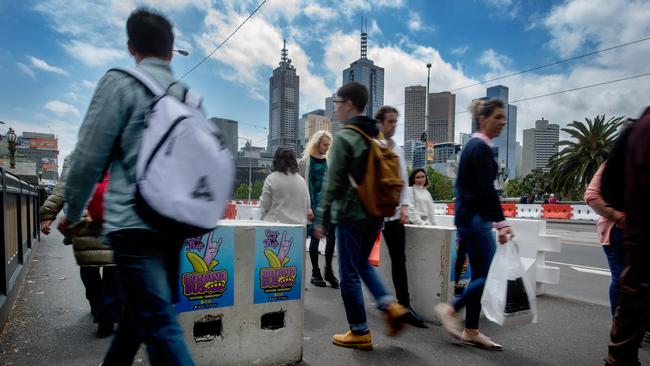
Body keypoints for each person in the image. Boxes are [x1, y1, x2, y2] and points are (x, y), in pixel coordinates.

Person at [60, 9, 195, 365]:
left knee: (158, 324)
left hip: (134, 226)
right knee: (141, 315)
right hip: (175, 224)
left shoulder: (119, 84)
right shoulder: (186, 96)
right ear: (170, 51)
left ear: (132, 46)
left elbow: (87, 158)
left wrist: (72, 213)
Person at [314, 82, 408, 350]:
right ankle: (390, 305)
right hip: (375, 214)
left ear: (349, 104)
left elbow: (332, 184)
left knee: (349, 273)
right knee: (363, 264)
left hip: (350, 214)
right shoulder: (375, 136)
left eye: (337, 103)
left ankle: (359, 331)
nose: (336, 108)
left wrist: (321, 219)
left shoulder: (345, 137)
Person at [435, 98, 513, 351]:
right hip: (475, 219)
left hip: (471, 218)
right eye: (497, 117)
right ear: (483, 119)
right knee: (487, 276)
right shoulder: (479, 147)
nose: (502, 122)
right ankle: (451, 309)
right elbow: (486, 190)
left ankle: (471, 330)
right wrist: (501, 223)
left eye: (504, 118)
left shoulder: (475, 146)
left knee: (479, 275)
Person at [39, 155, 119, 338]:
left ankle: (98, 308)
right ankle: (108, 314)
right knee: (114, 271)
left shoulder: (77, 155)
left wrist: (48, 213)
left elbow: (63, 188)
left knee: (89, 268)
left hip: (83, 218)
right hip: (115, 217)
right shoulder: (123, 149)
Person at [375, 106, 427, 328]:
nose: (393, 125)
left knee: (399, 260)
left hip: (395, 214)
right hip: (374, 213)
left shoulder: (399, 150)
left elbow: (404, 180)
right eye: (389, 121)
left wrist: (405, 206)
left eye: (396, 121)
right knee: (361, 261)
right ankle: (381, 301)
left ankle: (404, 306)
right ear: (379, 123)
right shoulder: (371, 146)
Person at [605, 109, 650, 366]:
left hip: (638, 244)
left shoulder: (640, 126)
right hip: (634, 242)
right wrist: (618, 215)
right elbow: (596, 193)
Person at [298, 131, 338, 288]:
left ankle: (328, 270)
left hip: (328, 207)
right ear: (316, 144)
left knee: (331, 238)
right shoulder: (304, 163)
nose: (327, 148)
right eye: (325, 145)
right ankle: (315, 273)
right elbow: (301, 187)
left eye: (329, 145)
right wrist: (307, 206)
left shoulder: (329, 163)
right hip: (311, 207)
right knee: (314, 239)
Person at [585, 163, 625, 317]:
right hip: (619, 230)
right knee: (622, 279)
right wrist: (619, 218)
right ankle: (620, 326)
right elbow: (592, 195)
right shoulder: (616, 162)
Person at [260, 147, 311, 226]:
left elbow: (265, 205)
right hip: (299, 229)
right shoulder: (302, 181)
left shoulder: (271, 179)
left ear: (276, 161)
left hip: (276, 228)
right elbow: (307, 205)